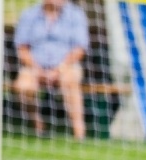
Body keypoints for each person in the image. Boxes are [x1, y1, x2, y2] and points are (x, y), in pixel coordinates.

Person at [13, 0, 89, 140]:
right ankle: (39, 126)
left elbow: (79, 49)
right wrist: (37, 69)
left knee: (70, 79)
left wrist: (58, 70)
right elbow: (22, 48)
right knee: (23, 86)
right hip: (34, 66)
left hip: (66, 66)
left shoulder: (76, 15)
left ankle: (79, 133)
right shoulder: (29, 14)